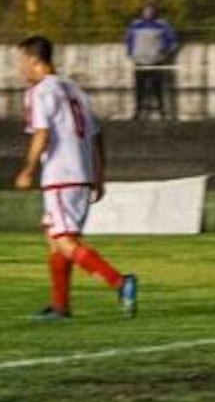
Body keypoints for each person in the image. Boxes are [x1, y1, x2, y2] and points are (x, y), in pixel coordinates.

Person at [14, 35, 138, 320]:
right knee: (55, 239)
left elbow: (42, 133)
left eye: (21, 61)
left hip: (60, 175)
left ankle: (120, 282)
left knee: (66, 242)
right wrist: (99, 175)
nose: (20, 68)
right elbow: (97, 134)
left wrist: (28, 169)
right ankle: (60, 306)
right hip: (80, 174)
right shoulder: (75, 91)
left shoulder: (40, 91)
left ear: (34, 61)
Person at [125, 3, 178, 120]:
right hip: (139, 62)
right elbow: (128, 39)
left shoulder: (162, 25)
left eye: (151, 11)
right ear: (142, 12)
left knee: (157, 88)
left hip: (156, 62)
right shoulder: (135, 24)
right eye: (146, 11)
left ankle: (162, 112)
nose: (148, 13)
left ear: (155, 12)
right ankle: (138, 111)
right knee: (139, 89)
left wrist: (165, 54)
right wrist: (131, 54)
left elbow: (173, 41)